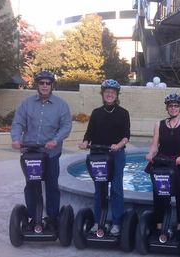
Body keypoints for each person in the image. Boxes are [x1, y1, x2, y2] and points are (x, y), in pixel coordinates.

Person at [11, 70, 72, 231]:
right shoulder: (27, 103)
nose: (44, 86)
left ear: (52, 86)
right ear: (37, 85)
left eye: (48, 83)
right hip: (30, 152)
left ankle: (52, 218)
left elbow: (66, 126)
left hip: (50, 153)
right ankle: (33, 217)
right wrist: (16, 139)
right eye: (41, 83)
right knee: (31, 184)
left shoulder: (61, 105)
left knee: (51, 185)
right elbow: (18, 122)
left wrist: (55, 140)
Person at [78, 79, 130, 236]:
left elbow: (126, 136)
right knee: (99, 189)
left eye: (112, 92)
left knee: (115, 189)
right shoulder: (96, 112)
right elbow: (90, 132)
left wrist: (119, 145)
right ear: (103, 94)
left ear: (116, 95)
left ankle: (116, 222)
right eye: (107, 92)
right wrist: (85, 142)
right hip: (98, 155)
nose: (109, 94)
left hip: (116, 154)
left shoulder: (123, 113)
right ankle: (97, 220)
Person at [145, 93, 180, 231]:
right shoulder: (158, 124)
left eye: (176, 106)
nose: (173, 108)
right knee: (159, 193)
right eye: (170, 106)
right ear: (167, 108)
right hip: (162, 163)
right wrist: (150, 153)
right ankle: (159, 224)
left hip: (178, 162)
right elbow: (155, 144)